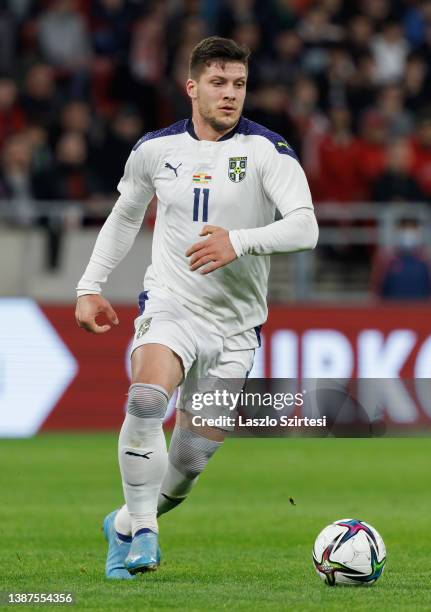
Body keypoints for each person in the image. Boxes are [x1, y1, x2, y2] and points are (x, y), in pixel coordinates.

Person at [75, 36, 318, 580]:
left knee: (187, 462)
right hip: (171, 305)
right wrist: (88, 286)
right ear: (192, 87)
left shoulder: (267, 151)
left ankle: (122, 522)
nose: (231, 94)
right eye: (219, 82)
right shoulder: (155, 151)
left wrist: (240, 240)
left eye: (239, 84)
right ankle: (144, 534)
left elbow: (306, 226)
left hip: (236, 327)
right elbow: (123, 217)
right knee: (145, 397)